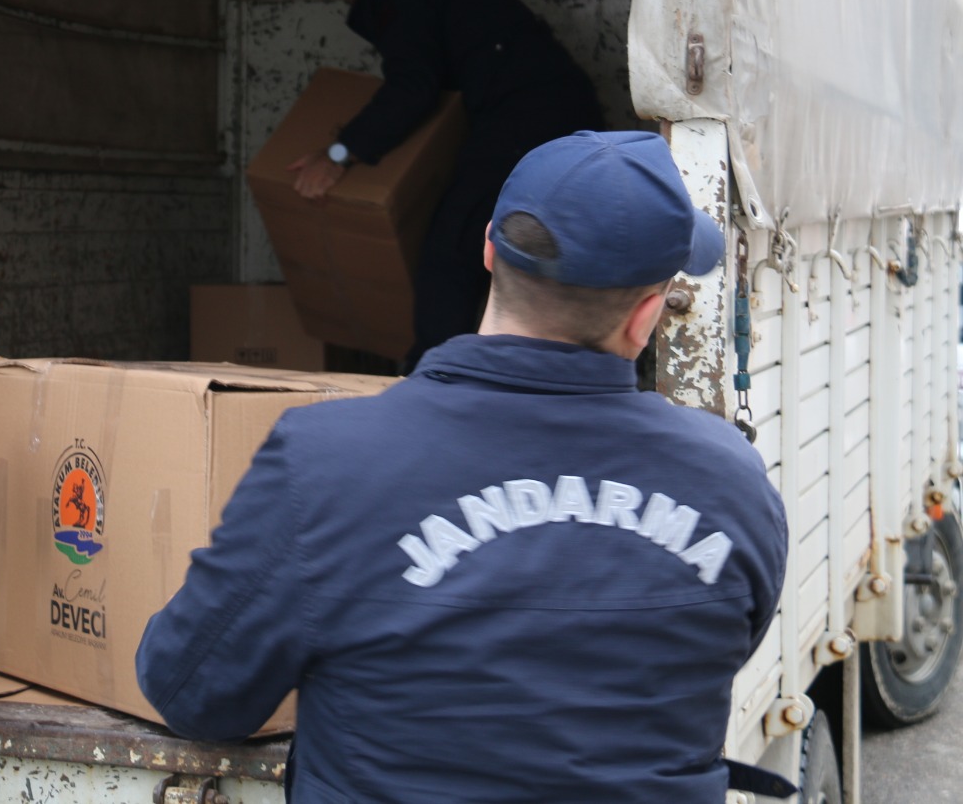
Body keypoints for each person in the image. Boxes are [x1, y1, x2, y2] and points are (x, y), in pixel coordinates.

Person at [139, 130, 788, 803]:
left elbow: (195, 693)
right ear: (645, 316)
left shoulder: (326, 462)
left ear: (487, 248)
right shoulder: (731, 482)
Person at [289, 0, 605, 367]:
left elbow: (412, 88)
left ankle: (434, 380)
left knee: (450, 251)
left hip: (526, 120)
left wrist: (339, 153)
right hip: (558, 117)